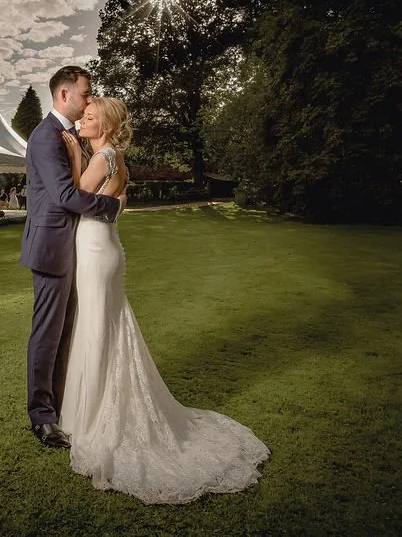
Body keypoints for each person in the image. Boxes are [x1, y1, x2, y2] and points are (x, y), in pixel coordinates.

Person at [56, 97, 269, 504]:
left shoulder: (103, 157)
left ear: (106, 124)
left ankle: (94, 418)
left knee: (99, 327)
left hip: (97, 250)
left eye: (89, 117)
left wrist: (71, 153)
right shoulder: (117, 157)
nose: (82, 120)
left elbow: (75, 194)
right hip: (102, 246)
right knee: (103, 324)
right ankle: (88, 411)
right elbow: (111, 205)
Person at [18, 65, 124, 452]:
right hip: (51, 247)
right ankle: (41, 417)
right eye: (85, 94)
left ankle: (62, 407)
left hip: (73, 246)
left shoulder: (70, 137)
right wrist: (111, 206)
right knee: (47, 333)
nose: (88, 100)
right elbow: (65, 195)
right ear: (64, 95)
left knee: (66, 332)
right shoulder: (46, 137)